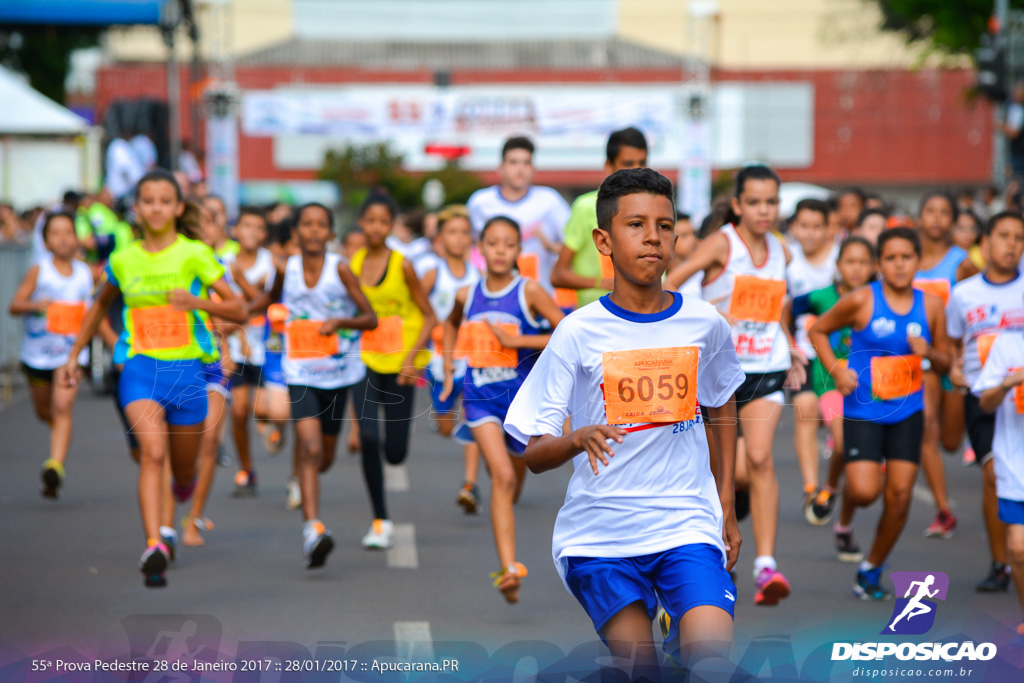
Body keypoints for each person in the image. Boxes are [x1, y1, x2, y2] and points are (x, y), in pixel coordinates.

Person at [505, 168, 743, 675]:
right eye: (635, 224)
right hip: (601, 537)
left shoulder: (704, 323)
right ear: (603, 240)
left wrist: (727, 504)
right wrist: (576, 437)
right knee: (643, 670)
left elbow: (722, 400)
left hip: (685, 523)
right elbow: (533, 454)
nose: (652, 236)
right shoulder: (576, 333)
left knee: (709, 661)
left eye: (664, 225)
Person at [58, 169, 246, 587]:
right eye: (148, 201)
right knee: (151, 453)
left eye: (165, 201)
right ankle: (155, 543)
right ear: (137, 209)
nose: (156, 208)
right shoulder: (123, 261)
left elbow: (240, 310)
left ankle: (184, 491)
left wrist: (195, 300)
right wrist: (75, 355)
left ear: (178, 208)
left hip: (188, 374)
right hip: (141, 369)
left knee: (181, 470)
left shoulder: (195, 254)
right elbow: (97, 307)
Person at [664, 163, 799, 606]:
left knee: (759, 458)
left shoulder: (782, 250)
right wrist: (709, 314)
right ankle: (711, 551)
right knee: (723, 469)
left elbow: (780, 301)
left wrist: (792, 343)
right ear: (738, 205)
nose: (765, 210)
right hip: (719, 372)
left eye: (772, 202)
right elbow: (673, 282)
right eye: (755, 202)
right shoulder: (722, 242)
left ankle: (766, 566)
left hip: (767, 366)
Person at [809, 227, 952, 600]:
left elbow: (946, 360)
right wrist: (837, 370)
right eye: (891, 257)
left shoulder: (932, 306)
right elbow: (819, 331)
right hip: (864, 409)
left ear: (917, 261)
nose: (900, 264)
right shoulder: (861, 301)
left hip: (909, 411)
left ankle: (871, 567)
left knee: (901, 494)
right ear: (879, 264)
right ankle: (844, 508)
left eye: (907, 256)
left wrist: (929, 353)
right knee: (866, 490)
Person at [440, 215, 563, 603]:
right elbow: (448, 325)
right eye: (492, 243)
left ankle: (505, 508)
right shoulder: (466, 293)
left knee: (515, 473)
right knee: (503, 477)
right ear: (481, 247)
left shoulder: (529, 291)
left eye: (508, 244)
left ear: (518, 251)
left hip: (522, 401)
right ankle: (509, 569)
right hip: (479, 398)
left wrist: (518, 338)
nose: (500, 251)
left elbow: (565, 331)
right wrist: (447, 367)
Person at [259, 202, 378, 568]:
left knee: (323, 458)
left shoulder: (340, 270)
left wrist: (340, 321)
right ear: (296, 232)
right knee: (309, 446)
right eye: (306, 224)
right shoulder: (286, 269)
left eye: (320, 225)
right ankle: (313, 529)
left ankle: (305, 477)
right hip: (299, 371)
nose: (313, 231)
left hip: (338, 373)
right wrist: (234, 309)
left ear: (330, 233)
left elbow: (370, 318)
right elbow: (266, 300)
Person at [350, 194, 436, 549]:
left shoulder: (403, 265)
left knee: (395, 452)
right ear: (361, 222)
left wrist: (412, 358)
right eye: (369, 220)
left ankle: (383, 508)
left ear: (391, 225)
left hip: (400, 363)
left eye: (383, 221)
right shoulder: (352, 263)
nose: (376, 227)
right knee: (368, 437)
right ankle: (380, 520)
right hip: (363, 361)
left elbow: (429, 315)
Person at [947, 211, 1024, 592]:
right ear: (986, 243)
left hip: (1022, 397)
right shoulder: (963, 294)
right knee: (994, 475)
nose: (1011, 244)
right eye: (1004, 236)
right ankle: (1001, 563)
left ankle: (1016, 550)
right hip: (984, 395)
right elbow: (954, 344)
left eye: (1019, 238)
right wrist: (956, 371)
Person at [791, 237, 876, 536]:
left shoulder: (878, 298)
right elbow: (786, 308)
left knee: (859, 462)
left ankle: (833, 493)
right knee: (842, 442)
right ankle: (826, 488)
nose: (856, 268)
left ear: (874, 266)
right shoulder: (821, 297)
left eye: (864, 262)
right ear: (838, 266)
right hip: (828, 381)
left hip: (871, 386)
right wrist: (791, 345)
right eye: (850, 262)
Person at [9, 212, 94, 499]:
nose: (63, 238)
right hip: (37, 355)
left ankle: (55, 466)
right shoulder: (39, 270)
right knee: (45, 412)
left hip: (69, 355)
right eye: (56, 233)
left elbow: (93, 315)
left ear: (76, 238)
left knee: (62, 407)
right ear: (45, 240)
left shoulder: (84, 273)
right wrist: (35, 305)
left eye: (68, 232)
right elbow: (14, 305)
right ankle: (59, 435)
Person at [417, 204, 483, 512]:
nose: (458, 239)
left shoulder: (479, 276)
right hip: (439, 359)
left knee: (473, 417)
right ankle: (445, 419)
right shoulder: (433, 275)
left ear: (471, 239)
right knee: (446, 427)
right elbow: (421, 313)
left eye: (464, 233)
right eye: (452, 233)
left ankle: (469, 485)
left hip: (472, 359)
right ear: (440, 238)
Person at [914, 192, 965, 539]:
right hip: (923, 360)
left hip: (956, 361)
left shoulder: (962, 263)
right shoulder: (906, 260)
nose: (936, 218)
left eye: (944, 213)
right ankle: (944, 511)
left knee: (950, 441)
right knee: (926, 429)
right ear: (920, 217)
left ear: (953, 220)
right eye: (930, 210)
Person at [550, 127, 648, 306]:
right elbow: (558, 275)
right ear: (608, 166)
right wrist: (604, 284)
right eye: (628, 163)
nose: (636, 171)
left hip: (647, 316)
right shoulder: (586, 207)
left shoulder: (654, 207)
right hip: (598, 320)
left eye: (641, 162)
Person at [784, 198, 839, 518]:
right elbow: (783, 309)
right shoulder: (788, 263)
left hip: (842, 356)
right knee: (805, 409)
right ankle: (810, 489)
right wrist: (790, 344)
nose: (811, 233)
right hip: (805, 354)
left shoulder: (840, 260)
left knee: (839, 422)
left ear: (828, 228)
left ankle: (832, 484)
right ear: (793, 228)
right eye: (804, 226)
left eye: (817, 226)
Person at [467, 137, 571, 293]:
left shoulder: (550, 200)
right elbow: (467, 248)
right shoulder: (480, 202)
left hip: (542, 298)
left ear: (533, 168)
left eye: (526, 163)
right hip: (493, 296)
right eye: (513, 162)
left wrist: (551, 247)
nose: (520, 169)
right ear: (500, 167)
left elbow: (574, 248)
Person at [972, 329, 1024, 636]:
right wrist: (1009, 382)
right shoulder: (1008, 344)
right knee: (1018, 550)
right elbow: (985, 403)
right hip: (1016, 463)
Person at [222, 207, 276, 497]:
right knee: (239, 411)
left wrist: (244, 285)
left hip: (268, 348)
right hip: (237, 348)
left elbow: (269, 303)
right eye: (246, 226)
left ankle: (273, 426)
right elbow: (225, 307)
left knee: (267, 409)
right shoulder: (224, 264)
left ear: (265, 234)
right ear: (236, 230)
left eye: (258, 227)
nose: (251, 232)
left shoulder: (272, 264)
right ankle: (246, 469)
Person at [201, 195, 239, 260]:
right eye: (208, 213)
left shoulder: (238, 250)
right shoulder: (193, 250)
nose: (214, 217)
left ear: (226, 216)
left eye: (217, 212)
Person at [1002, 82, 1024, 179]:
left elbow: (1015, 132)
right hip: (1018, 152)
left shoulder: (1018, 109)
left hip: (1019, 152)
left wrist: (1003, 127)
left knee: (1016, 180)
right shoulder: (1015, 108)